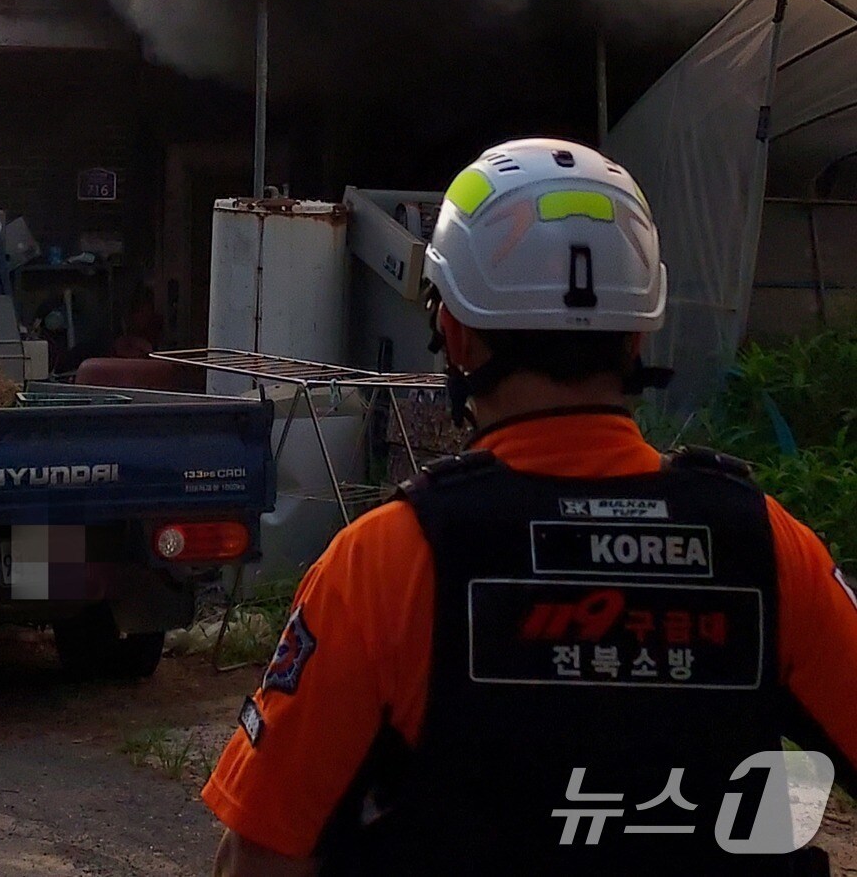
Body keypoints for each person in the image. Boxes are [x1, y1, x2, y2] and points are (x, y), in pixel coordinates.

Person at [203, 139, 857, 875]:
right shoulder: (771, 546)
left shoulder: (386, 563)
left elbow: (261, 853)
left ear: (452, 331)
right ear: (640, 332)